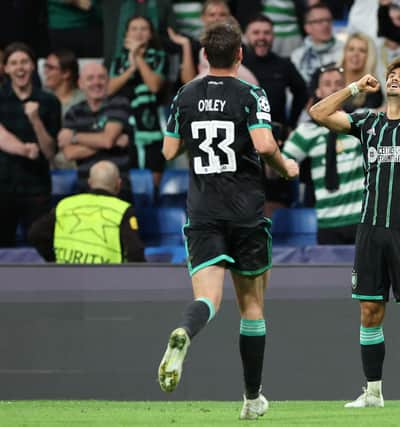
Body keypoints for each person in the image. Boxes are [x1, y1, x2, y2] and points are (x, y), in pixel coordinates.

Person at [157, 19, 299, 420]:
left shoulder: (185, 94)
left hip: (202, 212)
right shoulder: (251, 92)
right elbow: (264, 143)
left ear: (204, 56)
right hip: (245, 213)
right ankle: (252, 399)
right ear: (240, 54)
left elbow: (168, 152)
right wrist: (285, 165)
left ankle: (186, 330)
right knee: (252, 308)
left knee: (208, 298)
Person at [309, 56, 400, 408]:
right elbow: (318, 113)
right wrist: (354, 88)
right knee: (369, 311)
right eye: (391, 75)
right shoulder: (369, 123)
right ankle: (373, 392)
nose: (394, 79)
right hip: (370, 230)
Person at [283, 65, 365, 244]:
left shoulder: (361, 123)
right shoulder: (306, 132)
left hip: (362, 220)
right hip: (327, 223)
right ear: (318, 91)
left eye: (338, 84)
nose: (334, 88)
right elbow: (279, 164)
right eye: (327, 84)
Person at [242, 13, 308, 215]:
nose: (261, 37)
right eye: (256, 32)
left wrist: (291, 125)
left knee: (276, 203)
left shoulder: (284, 64)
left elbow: (303, 91)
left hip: (275, 141)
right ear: (246, 36)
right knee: (248, 202)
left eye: (267, 33)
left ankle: (275, 245)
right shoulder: (237, 66)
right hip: (243, 143)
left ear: (273, 36)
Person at [0, 42, 61, 247]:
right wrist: (24, 150)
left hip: (37, 187)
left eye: (24, 62)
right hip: (3, 187)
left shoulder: (50, 101)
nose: (20, 67)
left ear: (33, 65)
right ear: (6, 68)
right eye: (14, 63)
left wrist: (35, 120)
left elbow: (51, 152)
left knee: (41, 248)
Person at [27, 160, 145, 263]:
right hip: (108, 281)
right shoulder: (122, 210)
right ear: (119, 184)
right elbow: (135, 252)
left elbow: (35, 234)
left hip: (67, 279)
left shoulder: (65, 205)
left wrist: (54, 260)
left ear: (90, 182)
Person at [58, 62, 134, 202]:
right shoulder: (73, 112)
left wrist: (74, 137)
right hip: (85, 189)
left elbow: (107, 140)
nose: (96, 82)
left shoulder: (119, 103)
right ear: (80, 83)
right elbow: (70, 153)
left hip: (118, 189)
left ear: (108, 81)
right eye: (90, 78)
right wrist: (111, 142)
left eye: (101, 77)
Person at [108, 15, 167, 187]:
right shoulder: (119, 60)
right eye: (134, 29)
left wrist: (138, 57)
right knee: (127, 181)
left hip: (151, 125)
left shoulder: (158, 56)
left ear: (150, 34)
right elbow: (110, 89)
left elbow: (154, 86)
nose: (139, 33)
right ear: (126, 34)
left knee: (153, 181)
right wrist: (131, 68)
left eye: (143, 29)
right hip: (125, 125)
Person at [290, 3, 344, 83]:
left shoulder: (345, 50)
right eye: (320, 21)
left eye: (328, 20)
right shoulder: (297, 56)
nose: (326, 25)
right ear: (307, 27)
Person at [340, 32, 384, 112]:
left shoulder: (373, 87)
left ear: (369, 56)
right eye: (351, 49)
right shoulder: (327, 74)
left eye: (362, 51)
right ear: (345, 52)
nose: (355, 54)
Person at [43, 49, 85, 117]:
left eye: (50, 68)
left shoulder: (83, 100)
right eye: (45, 66)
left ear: (66, 73)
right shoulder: (41, 98)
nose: (45, 71)